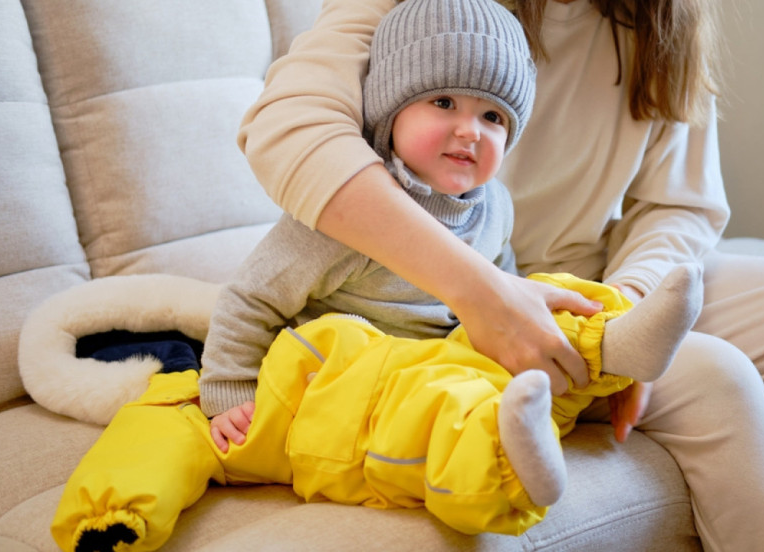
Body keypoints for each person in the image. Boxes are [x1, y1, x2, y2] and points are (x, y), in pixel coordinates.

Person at [236, 0, 764, 550]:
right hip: (435, 305)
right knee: (715, 376)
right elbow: (290, 127)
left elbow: (677, 206)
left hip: (597, 287)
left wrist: (623, 315)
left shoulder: (661, 20)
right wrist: (482, 292)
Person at [199, 0, 701, 535]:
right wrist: (230, 390)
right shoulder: (345, 219)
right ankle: (505, 453)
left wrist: (525, 310)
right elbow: (248, 298)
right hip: (359, 371)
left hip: (448, 349)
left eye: (493, 118)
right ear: (391, 110)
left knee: (553, 297)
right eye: (443, 102)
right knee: (436, 402)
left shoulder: (495, 207)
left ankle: (611, 340)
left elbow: (503, 276)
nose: (470, 131)